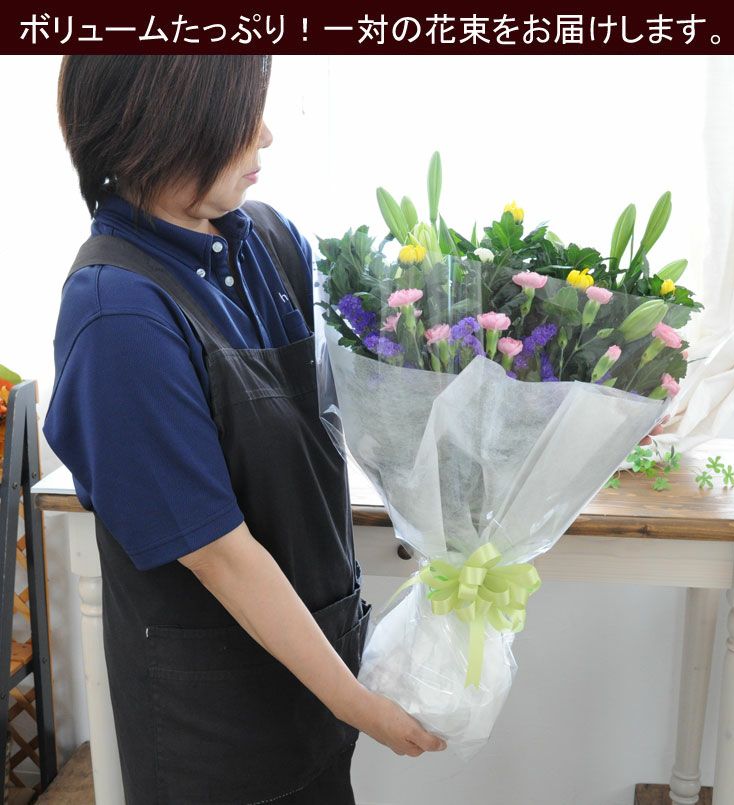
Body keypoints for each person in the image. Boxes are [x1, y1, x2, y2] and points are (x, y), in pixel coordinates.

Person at [43, 55, 448, 805]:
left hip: (313, 681)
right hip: (213, 729)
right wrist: (359, 703)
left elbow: (346, 409)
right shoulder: (117, 316)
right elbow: (219, 554)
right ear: (163, 123)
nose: (264, 135)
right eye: (241, 114)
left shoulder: (269, 242)